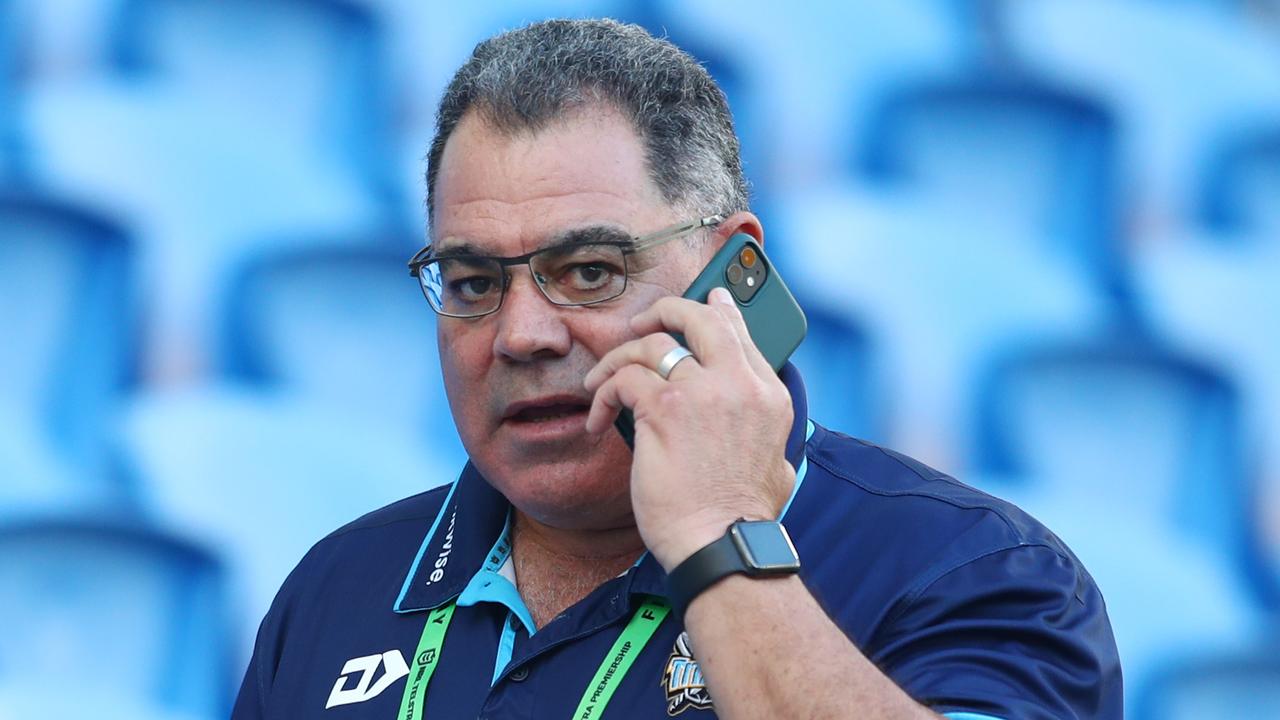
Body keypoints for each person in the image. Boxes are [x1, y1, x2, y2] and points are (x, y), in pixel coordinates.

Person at [233, 18, 1121, 720]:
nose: (523, 333)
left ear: (729, 278)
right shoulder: (339, 588)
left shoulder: (970, 571)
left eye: (590, 272)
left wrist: (721, 536)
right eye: (473, 281)